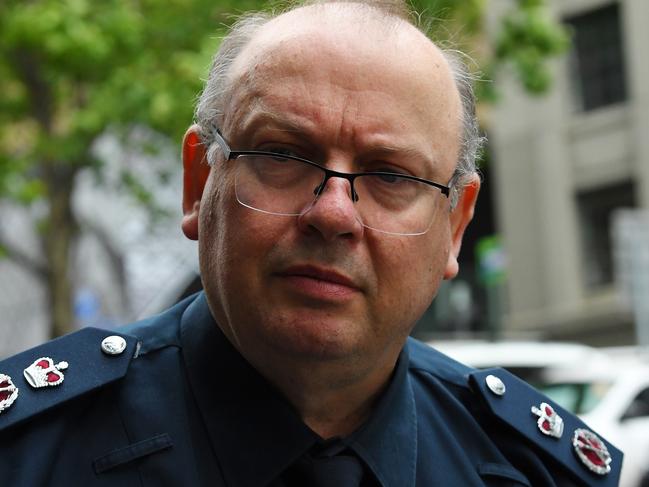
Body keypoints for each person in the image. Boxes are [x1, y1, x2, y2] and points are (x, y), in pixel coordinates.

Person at [0, 1, 622, 485]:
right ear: (199, 183)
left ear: (455, 227)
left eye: (391, 176)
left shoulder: (537, 471)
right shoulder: (25, 456)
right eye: (281, 154)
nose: (333, 214)